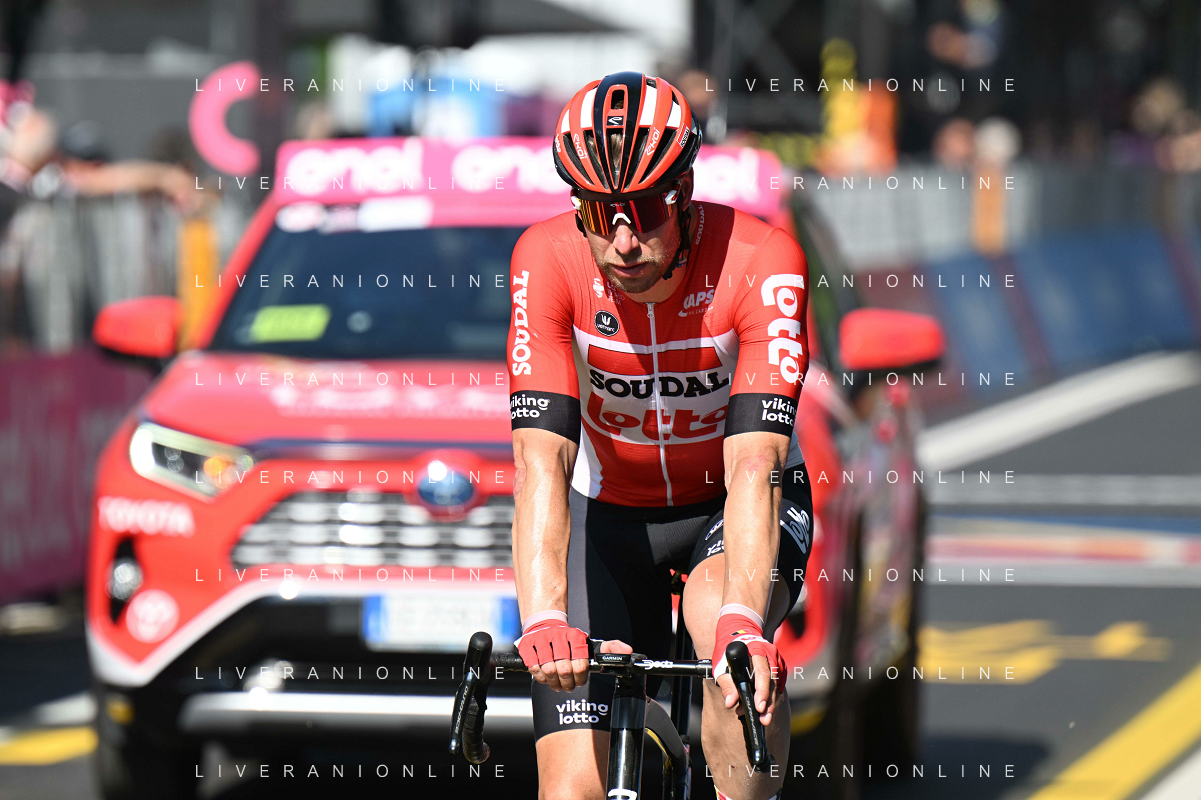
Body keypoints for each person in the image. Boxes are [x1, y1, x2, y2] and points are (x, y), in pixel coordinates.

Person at [506, 71, 813, 800]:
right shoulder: (546, 259)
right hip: (607, 512)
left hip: (727, 508)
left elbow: (755, 462)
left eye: (643, 212)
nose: (622, 242)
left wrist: (743, 622)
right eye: (598, 213)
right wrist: (545, 618)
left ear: (683, 191)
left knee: (723, 641)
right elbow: (541, 462)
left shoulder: (759, 260)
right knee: (572, 790)